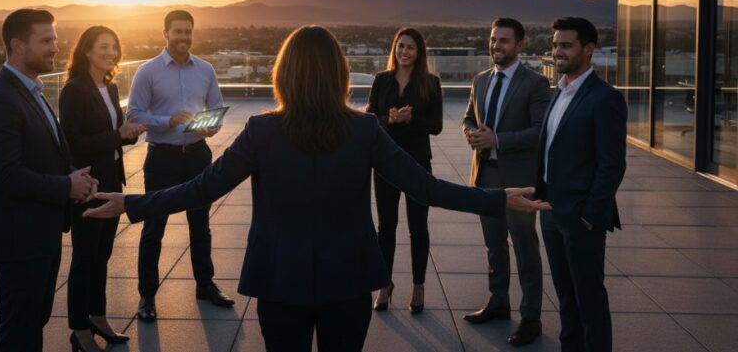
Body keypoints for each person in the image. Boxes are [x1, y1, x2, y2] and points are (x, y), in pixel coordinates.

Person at [84, 25, 550, 352]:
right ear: (339, 73)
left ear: (284, 73)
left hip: (279, 280)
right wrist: (495, 198)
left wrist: (133, 204)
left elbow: (203, 188)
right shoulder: (365, 130)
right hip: (348, 281)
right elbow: (425, 188)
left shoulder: (262, 131)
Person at [0, 9, 97, 352]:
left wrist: (75, 178)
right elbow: (6, 176)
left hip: (39, 232)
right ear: (17, 45)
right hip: (18, 239)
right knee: (19, 332)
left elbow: (45, 152)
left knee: (32, 322)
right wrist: (65, 187)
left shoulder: (31, 90)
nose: (55, 47)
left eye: (54, 39)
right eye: (45, 40)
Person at [127, 9, 234, 321]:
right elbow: (134, 115)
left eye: (188, 31)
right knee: (153, 227)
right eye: (177, 32)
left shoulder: (206, 69)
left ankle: (205, 284)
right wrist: (167, 120)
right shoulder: (147, 72)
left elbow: (215, 108)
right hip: (162, 157)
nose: (183, 37)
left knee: (201, 225)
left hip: (198, 155)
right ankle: (147, 296)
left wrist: (209, 125)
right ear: (165, 33)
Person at [537, 17, 626, 352]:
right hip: (550, 212)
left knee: (589, 300)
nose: (557, 51)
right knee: (566, 299)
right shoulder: (557, 92)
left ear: (588, 50)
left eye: (566, 45)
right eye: (555, 44)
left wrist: (590, 215)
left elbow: (612, 164)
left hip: (581, 219)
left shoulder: (605, 99)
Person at [461, 18, 550, 346]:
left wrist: (498, 139)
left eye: (504, 41)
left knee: (525, 246)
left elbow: (541, 130)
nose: (496, 46)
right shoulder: (480, 79)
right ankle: (498, 302)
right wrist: (471, 133)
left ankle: (531, 317)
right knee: (494, 244)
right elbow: (469, 117)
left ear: (520, 45)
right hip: (485, 174)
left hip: (518, 181)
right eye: (494, 39)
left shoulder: (535, 84)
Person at [59, 26, 147, 351]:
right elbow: (72, 143)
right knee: (84, 258)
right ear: (87, 51)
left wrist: (130, 132)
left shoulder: (108, 88)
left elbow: (115, 133)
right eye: (104, 47)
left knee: (102, 256)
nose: (111, 53)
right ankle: (79, 330)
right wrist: (118, 135)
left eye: (115, 47)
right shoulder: (75, 90)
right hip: (88, 184)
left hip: (112, 181)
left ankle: (97, 317)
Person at [366, 27, 442, 314]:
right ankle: (385, 284)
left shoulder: (431, 83)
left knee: (418, 228)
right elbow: (371, 118)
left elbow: (436, 125)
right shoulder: (381, 80)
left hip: (417, 163)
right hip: (385, 163)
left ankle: (418, 285)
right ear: (394, 49)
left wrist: (409, 120)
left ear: (419, 52)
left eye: (410, 47)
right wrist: (390, 118)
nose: (404, 52)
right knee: (386, 227)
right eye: (400, 46)